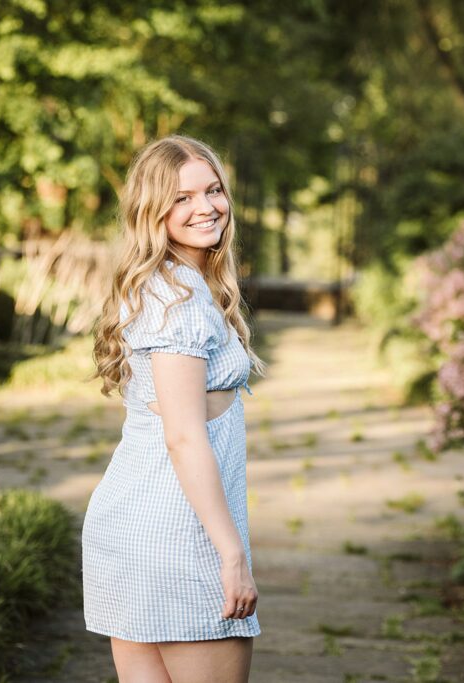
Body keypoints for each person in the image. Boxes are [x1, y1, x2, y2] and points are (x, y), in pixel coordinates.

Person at [84, 134, 267, 682]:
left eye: (213, 191)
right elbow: (185, 436)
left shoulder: (167, 285)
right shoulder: (179, 299)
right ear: (152, 211)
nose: (206, 207)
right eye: (182, 198)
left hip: (133, 530)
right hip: (177, 540)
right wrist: (230, 553)